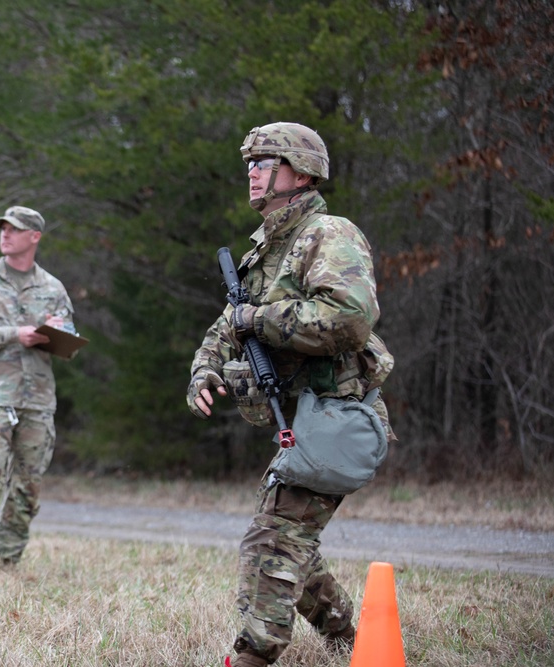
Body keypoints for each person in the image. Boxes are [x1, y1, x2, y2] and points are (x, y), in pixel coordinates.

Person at [186, 122, 396, 667]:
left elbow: (349, 319)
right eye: (249, 164)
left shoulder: (329, 233)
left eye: (263, 162)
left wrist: (262, 318)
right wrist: (204, 371)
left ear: (298, 173)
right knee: (291, 539)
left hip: (338, 416)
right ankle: (347, 634)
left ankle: (253, 657)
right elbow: (226, 326)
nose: (251, 173)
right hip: (303, 422)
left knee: (273, 542)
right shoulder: (268, 248)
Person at [0, 205, 75, 584]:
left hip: (37, 400)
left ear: (34, 237)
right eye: (2, 228)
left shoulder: (52, 288)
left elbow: (68, 344)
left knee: (28, 485)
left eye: (15, 229)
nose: (5, 234)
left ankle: (8, 560)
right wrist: (14, 334)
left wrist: (57, 331)